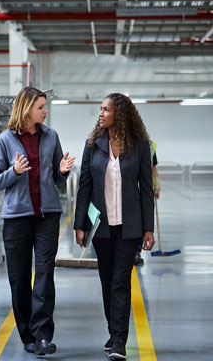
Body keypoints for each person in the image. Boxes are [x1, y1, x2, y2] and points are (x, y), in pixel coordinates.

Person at [0, 86, 75, 356]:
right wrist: (14, 171)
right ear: (26, 109)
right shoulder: (6, 139)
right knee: (19, 277)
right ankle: (27, 335)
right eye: (41, 107)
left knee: (45, 274)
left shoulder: (51, 136)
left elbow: (57, 179)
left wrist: (61, 172)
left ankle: (43, 336)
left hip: (47, 215)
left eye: (45, 106)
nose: (45, 111)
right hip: (17, 218)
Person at [74, 93, 155, 360]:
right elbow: (84, 186)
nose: (101, 113)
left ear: (119, 114)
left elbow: (145, 190)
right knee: (107, 283)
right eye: (101, 109)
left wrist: (148, 228)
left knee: (121, 283)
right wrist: (79, 225)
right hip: (101, 227)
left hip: (129, 227)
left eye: (106, 109)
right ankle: (113, 333)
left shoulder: (141, 146)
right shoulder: (93, 145)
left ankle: (119, 341)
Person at [135, 141, 160, 265]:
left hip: (144, 189)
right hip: (131, 189)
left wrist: (156, 186)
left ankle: (137, 252)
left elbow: (153, 167)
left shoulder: (150, 146)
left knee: (142, 221)